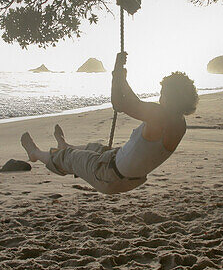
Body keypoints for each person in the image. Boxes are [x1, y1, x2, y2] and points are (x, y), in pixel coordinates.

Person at [20, 52, 198, 194]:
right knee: (97, 148)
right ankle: (65, 145)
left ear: (171, 96)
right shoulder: (179, 123)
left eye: (163, 93)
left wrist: (117, 73)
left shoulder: (161, 116)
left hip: (110, 176)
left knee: (69, 158)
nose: (160, 97)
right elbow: (131, 102)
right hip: (129, 178)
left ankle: (36, 153)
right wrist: (121, 78)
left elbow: (119, 104)